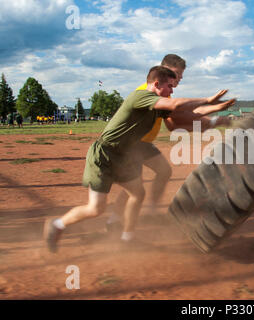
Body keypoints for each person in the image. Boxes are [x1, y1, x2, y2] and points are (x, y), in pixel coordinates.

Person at [43, 65, 235, 253]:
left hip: (124, 156)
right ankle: (57, 225)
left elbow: (187, 114)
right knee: (96, 209)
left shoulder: (158, 105)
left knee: (137, 193)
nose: (172, 90)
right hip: (104, 154)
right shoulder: (141, 96)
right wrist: (208, 99)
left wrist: (217, 108)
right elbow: (176, 104)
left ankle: (127, 238)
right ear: (157, 83)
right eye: (169, 86)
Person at [106, 54, 231, 232]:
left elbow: (174, 122)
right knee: (135, 185)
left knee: (163, 171)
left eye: (181, 75)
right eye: (178, 74)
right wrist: (212, 117)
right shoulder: (149, 92)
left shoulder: (164, 93)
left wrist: (211, 118)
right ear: (166, 70)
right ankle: (116, 221)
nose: (180, 79)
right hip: (134, 143)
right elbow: (177, 118)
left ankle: (149, 210)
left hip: (144, 143)